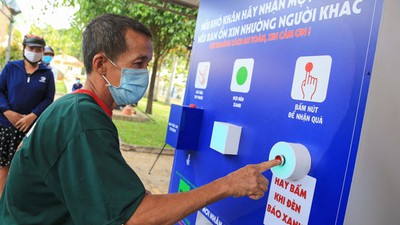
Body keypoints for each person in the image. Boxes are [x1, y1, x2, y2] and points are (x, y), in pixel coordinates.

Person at [0, 14, 280, 224]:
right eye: (138, 63)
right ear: (101, 65)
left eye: (147, 64)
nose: (144, 73)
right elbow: (134, 218)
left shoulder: (77, 107)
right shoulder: (83, 119)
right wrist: (228, 184)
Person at [0, 34, 55, 197]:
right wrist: (7, 112)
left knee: (24, 168)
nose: (34, 52)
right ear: (24, 49)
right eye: (31, 48)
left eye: (38, 50)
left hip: (30, 129)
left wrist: (33, 115)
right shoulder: (11, 68)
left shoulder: (47, 73)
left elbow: (48, 98)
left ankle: (17, 203)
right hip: (6, 125)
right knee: (3, 166)